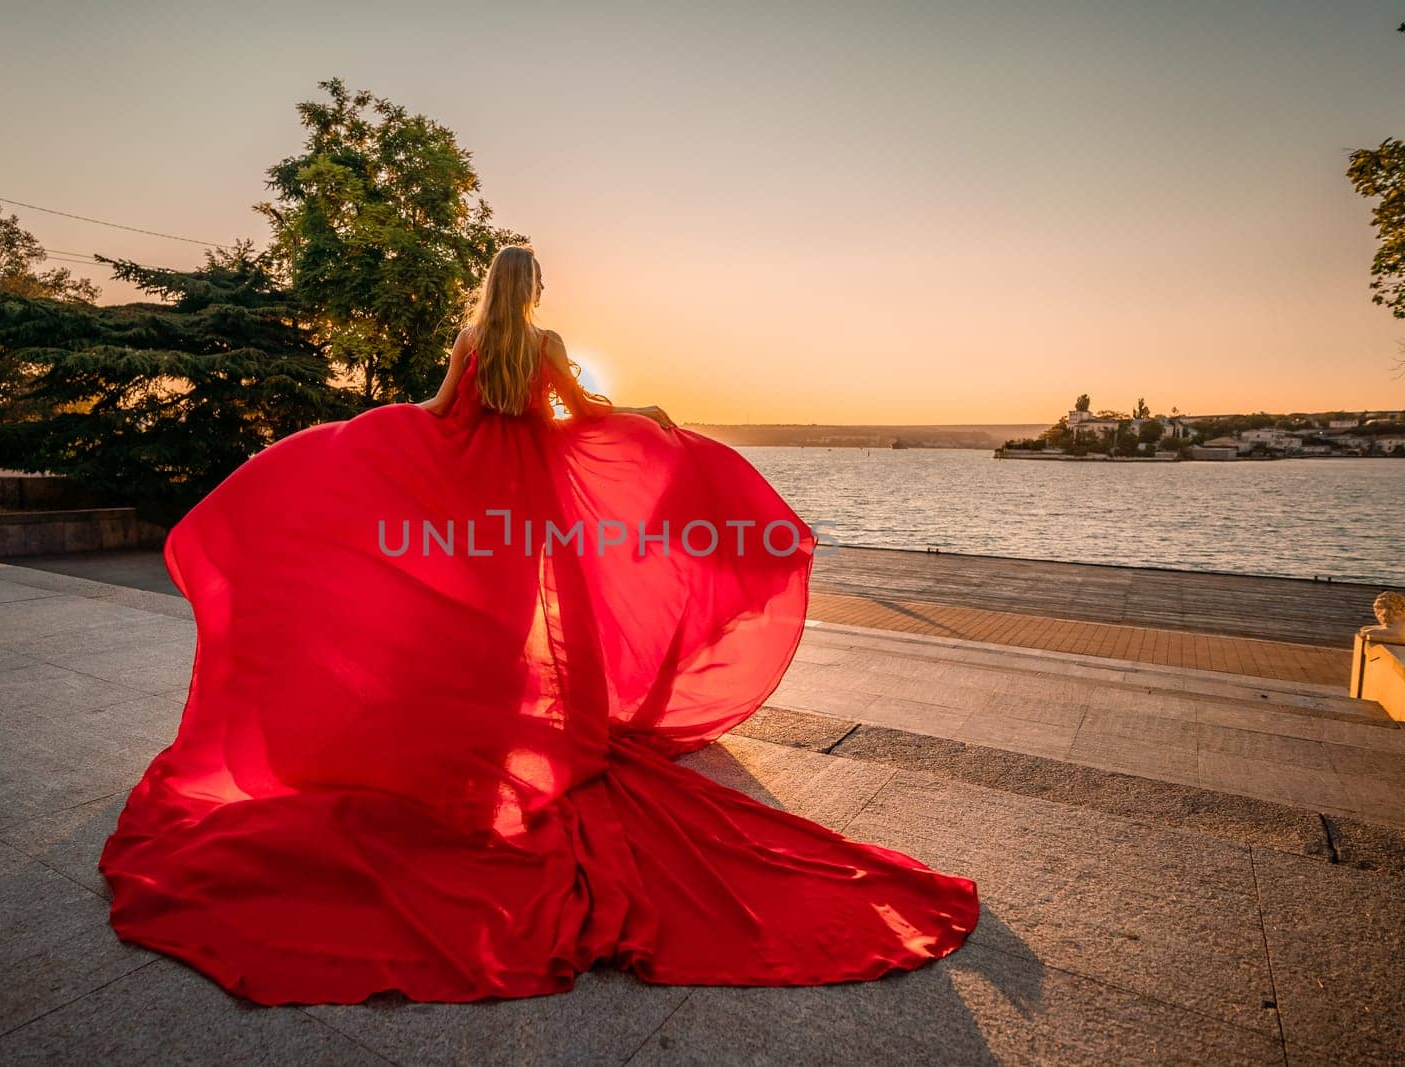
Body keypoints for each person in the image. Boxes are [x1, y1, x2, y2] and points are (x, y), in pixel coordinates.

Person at [100, 245, 978, 1005]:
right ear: (533, 288)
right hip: (530, 498)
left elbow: (443, 414)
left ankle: (481, 741)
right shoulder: (545, 345)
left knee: (478, 623)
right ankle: (517, 739)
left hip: (472, 491)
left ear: (491, 286)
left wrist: (365, 436)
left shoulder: (474, 343)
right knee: (529, 620)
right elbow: (581, 416)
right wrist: (645, 418)